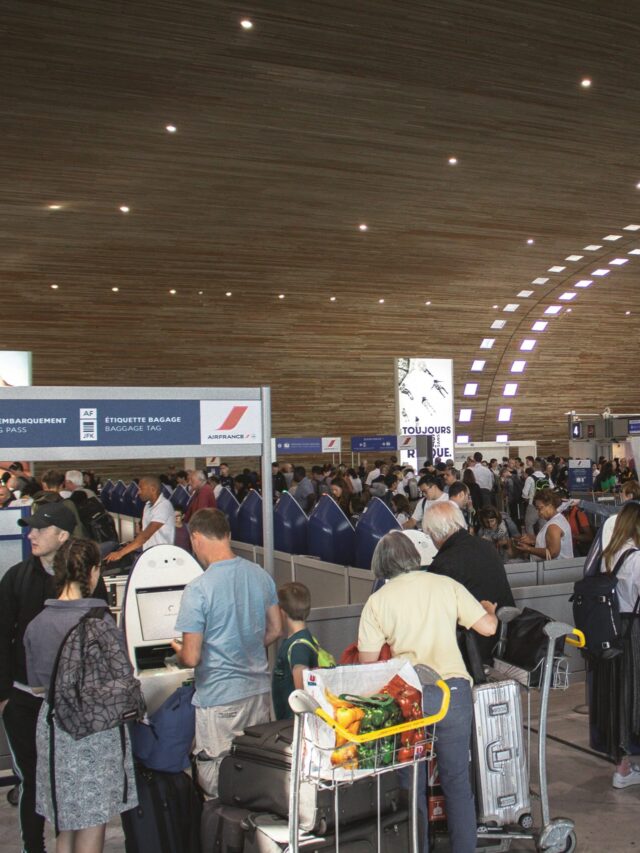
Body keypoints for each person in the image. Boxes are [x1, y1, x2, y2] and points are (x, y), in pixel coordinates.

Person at [358, 531, 498, 853]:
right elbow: (487, 628)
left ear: (381, 563)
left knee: (412, 784)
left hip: (409, 696)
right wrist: (489, 609)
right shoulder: (445, 584)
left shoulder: (378, 601)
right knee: (457, 782)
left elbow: (367, 662)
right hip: (453, 692)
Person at [0, 503, 108, 853]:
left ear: (62, 536)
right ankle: (34, 847)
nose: (30, 535)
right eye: (29, 528)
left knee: (69, 783)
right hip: (24, 700)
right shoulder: (16, 578)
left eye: (39, 529)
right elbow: (1, 635)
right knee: (32, 780)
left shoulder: (89, 581)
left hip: (71, 706)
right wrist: (4, 695)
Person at [24, 538, 137, 853]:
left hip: (54, 730)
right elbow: (121, 680)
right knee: (92, 821)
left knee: (66, 821)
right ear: (94, 572)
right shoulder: (101, 622)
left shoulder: (36, 625)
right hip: (95, 732)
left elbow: (36, 686)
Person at [170, 509, 280, 797]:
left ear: (195, 538)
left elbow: (192, 658)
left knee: (218, 784)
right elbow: (276, 629)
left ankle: (219, 838)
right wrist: (247, 648)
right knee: (256, 775)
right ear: (228, 535)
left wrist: (178, 652)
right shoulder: (260, 576)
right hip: (258, 694)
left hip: (219, 699)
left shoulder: (198, 589)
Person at [423, 502, 515, 662]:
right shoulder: (486, 546)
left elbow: (437, 618)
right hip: (505, 638)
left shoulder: (443, 564)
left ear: (434, 534)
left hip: (471, 651)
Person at [590, 503, 640, 788]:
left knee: (620, 695)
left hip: (612, 630)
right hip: (634, 631)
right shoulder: (636, 558)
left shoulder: (610, 555)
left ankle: (621, 767)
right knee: (633, 694)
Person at [271, 582, 318, 721]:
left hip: (293, 724)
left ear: (282, 612)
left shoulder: (298, 647)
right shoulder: (301, 639)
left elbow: (301, 693)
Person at [104, 475, 175, 563]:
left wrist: (120, 553)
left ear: (153, 489)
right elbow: (144, 535)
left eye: (141, 489)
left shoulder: (164, 506)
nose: (138, 492)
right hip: (150, 555)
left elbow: (146, 536)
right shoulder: (148, 505)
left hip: (162, 557)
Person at [515, 489, 573, 561]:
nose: (539, 513)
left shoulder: (553, 526)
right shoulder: (558, 519)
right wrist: (535, 539)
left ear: (550, 505)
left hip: (554, 570)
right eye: (537, 509)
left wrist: (528, 549)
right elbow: (552, 541)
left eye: (540, 508)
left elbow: (552, 553)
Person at [41, 469, 86, 538]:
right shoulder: (68, 504)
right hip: (65, 544)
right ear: (61, 485)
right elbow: (77, 531)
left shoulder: (35, 504)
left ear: (44, 485)